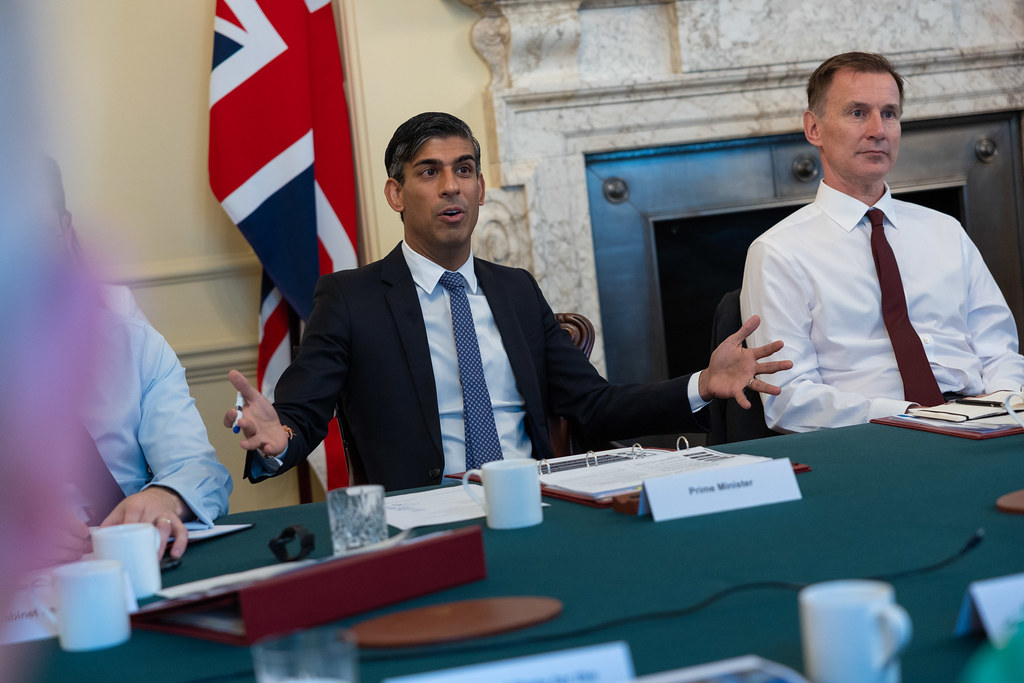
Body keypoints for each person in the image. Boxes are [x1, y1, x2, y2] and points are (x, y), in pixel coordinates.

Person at [226, 112, 791, 491]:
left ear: (479, 189)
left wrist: (701, 383)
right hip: (426, 515)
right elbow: (299, 416)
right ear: (396, 194)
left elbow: (594, 405)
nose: (452, 186)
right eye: (430, 172)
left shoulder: (515, 290)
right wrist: (279, 441)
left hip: (537, 499)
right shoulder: (351, 298)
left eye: (464, 170)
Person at [740, 52, 1024, 433]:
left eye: (889, 113)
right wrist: (914, 415)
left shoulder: (945, 230)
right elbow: (788, 399)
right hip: (877, 433)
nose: (879, 129)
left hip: (983, 422)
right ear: (814, 129)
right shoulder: (777, 252)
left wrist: (998, 408)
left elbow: (998, 351)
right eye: (858, 112)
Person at [44, 157, 232, 560]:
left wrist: (167, 496)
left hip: (136, 560)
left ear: (62, 227)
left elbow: (201, 471)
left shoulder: (133, 344)